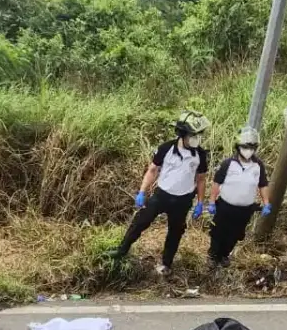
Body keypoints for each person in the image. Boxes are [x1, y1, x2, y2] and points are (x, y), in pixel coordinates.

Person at [114, 110, 210, 276]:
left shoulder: (200, 154)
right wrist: (142, 192)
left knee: (175, 232)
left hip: (183, 200)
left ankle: (166, 263)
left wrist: (200, 202)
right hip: (162, 195)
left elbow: (201, 179)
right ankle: (121, 251)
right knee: (140, 221)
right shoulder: (166, 148)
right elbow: (152, 170)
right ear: (183, 134)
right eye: (193, 135)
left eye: (199, 134)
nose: (197, 138)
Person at [206, 126, 271, 267]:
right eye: (246, 147)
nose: (248, 150)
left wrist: (266, 203)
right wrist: (211, 201)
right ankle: (213, 255)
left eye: (252, 147)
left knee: (235, 234)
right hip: (225, 206)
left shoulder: (258, 165)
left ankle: (224, 255)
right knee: (218, 231)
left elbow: (263, 184)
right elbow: (217, 183)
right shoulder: (228, 164)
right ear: (238, 146)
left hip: (245, 209)